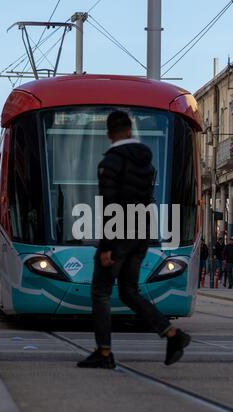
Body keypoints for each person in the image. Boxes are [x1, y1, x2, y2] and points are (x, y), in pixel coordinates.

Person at [77, 110, 191, 369]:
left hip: (118, 234)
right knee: (129, 291)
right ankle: (172, 334)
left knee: (101, 292)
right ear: (130, 131)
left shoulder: (111, 163)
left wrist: (106, 247)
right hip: (140, 233)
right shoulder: (146, 163)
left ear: (109, 135)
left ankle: (104, 352)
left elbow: (110, 205)